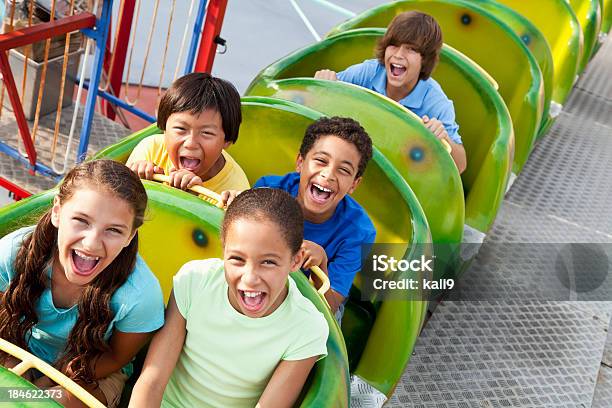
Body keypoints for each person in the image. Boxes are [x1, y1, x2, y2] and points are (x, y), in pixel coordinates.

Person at [129, 188, 328, 408]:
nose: (250, 278)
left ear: (295, 261)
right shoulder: (195, 281)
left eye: (268, 262)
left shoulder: (307, 327)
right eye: (237, 259)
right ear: (223, 250)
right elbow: (152, 380)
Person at [0, 160, 165, 408]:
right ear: (57, 211)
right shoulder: (14, 251)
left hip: (89, 369)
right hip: (18, 344)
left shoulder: (140, 294)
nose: (91, 244)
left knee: (49, 402)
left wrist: (48, 383)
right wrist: (13, 370)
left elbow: (116, 357)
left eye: (114, 230)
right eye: (81, 220)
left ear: (130, 235)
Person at [222, 117, 377, 322]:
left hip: (312, 305)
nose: (328, 175)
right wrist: (232, 208)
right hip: (257, 285)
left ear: (354, 184)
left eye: (344, 170)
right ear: (300, 162)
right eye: (321, 161)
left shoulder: (359, 231)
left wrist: (320, 264)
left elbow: (329, 305)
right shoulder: (269, 190)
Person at [315, 11, 467, 173]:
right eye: (393, 45)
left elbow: (460, 166)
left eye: (411, 49)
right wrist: (324, 82)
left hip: (402, 171)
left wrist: (443, 140)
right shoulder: (370, 71)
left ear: (425, 60)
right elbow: (329, 90)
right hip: (360, 160)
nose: (399, 55)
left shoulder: (436, 103)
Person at [126, 72, 250, 192]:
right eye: (181, 129)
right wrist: (139, 183)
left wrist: (191, 200)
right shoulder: (151, 149)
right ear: (164, 129)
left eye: (206, 133)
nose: (190, 143)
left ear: (227, 141)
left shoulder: (234, 190)